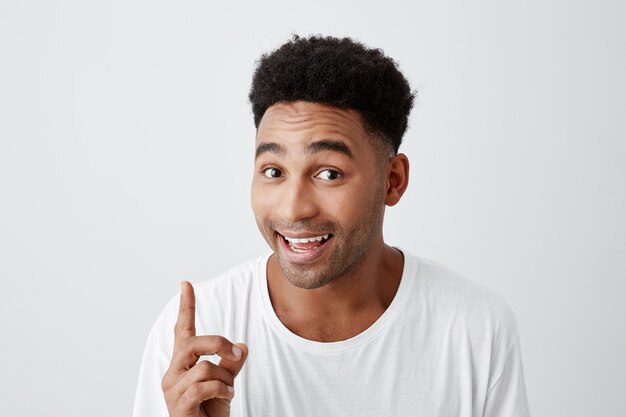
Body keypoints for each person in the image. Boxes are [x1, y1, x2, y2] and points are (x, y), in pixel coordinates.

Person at [132, 35, 531, 417]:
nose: (294, 207)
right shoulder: (196, 335)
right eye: (273, 170)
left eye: (328, 174)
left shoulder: (475, 329)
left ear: (393, 180)